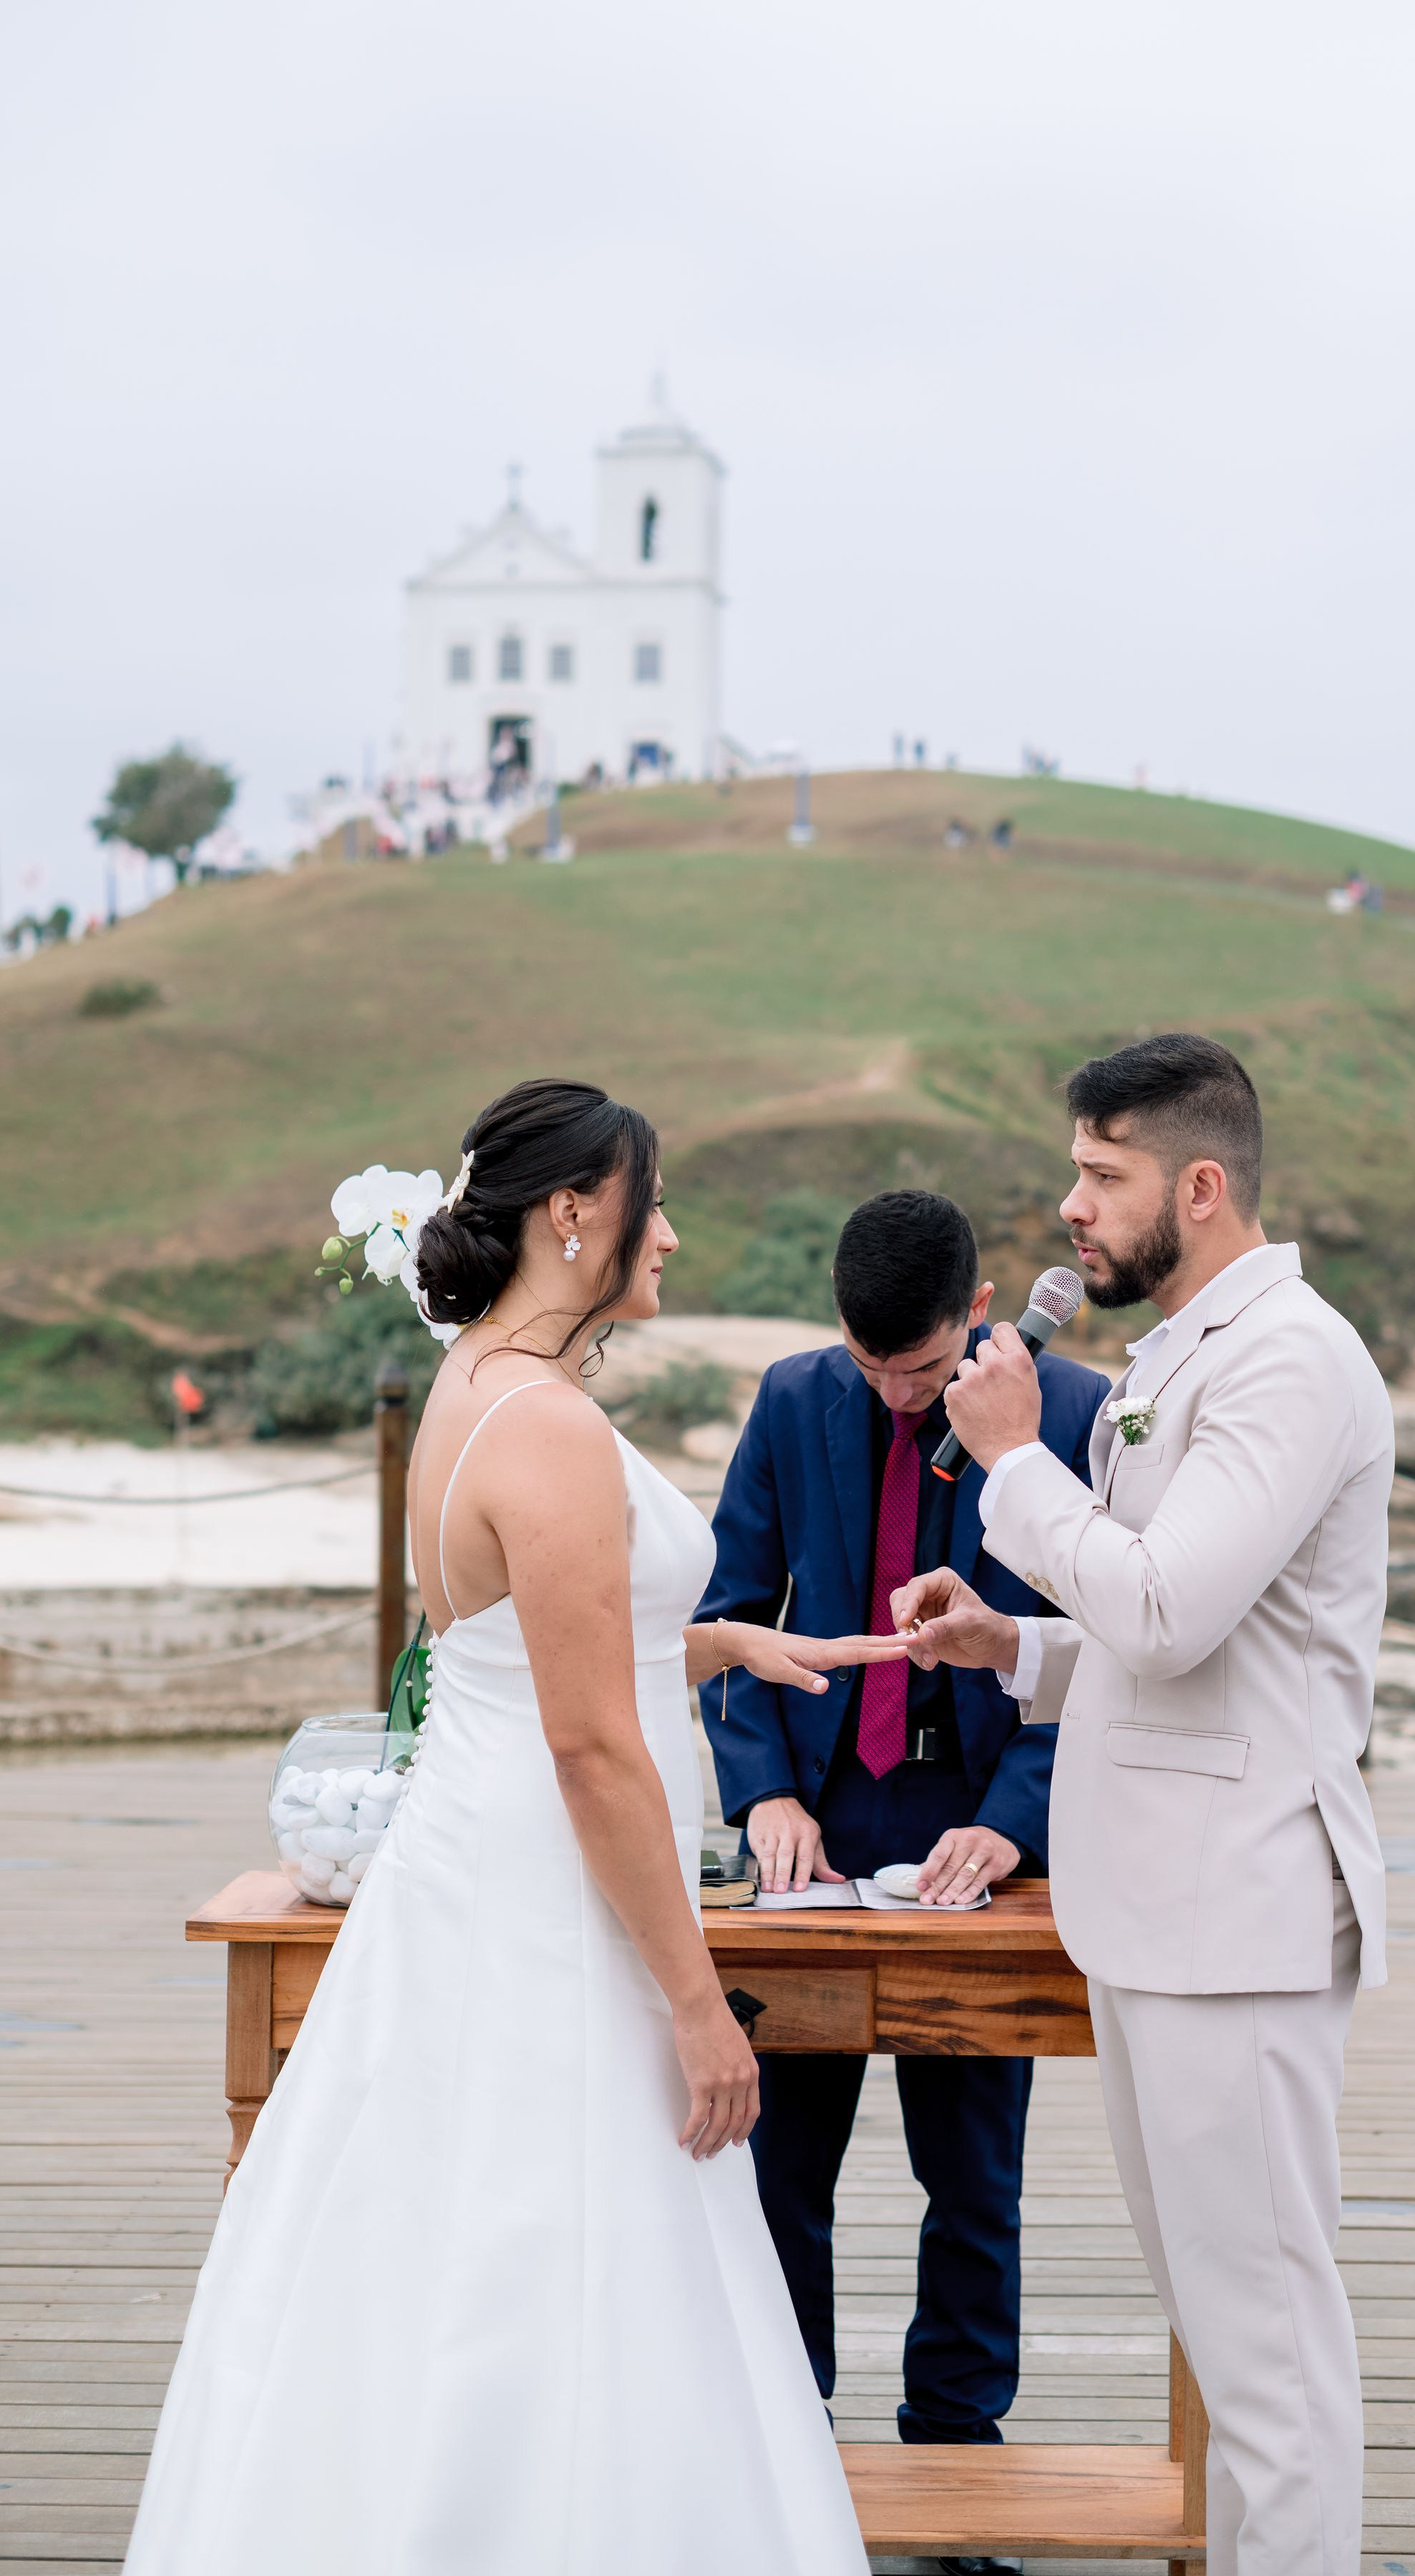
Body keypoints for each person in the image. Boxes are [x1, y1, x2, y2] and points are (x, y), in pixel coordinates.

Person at [124, 1078, 905, 2576]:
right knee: (565, 2250)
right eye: (649, 1203)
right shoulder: (541, 1425)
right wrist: (697, 2005)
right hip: (552, 1906)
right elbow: (590, 1743)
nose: (668, 1235)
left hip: (476, 1880)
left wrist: (719, 1647)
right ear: (571, 1216)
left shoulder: (473, 1390)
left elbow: (528, 1656)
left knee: (452, 2240)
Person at [894, 1035, 1393, 2576]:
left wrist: (1009, 1464)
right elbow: (1169, 1636)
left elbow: (1169, 1610)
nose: (1069, 1206)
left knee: (1267, 2363)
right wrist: (1016, 1646)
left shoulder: (1289, 1359)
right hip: (1159, 1915)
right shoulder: (1183, 1351)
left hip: (1233, 1915)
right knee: (1218, 2328)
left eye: (1100, 1177)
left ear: (1198, 1184)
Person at [695, 1191, 1110, 2518]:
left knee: (975, 2176)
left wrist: (1014, 1822)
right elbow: (725, 1620)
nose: (894, 1396)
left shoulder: (1075, 1410)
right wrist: (760, 1794)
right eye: (870, 1367)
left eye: (923, 1371)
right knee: (780, 2167)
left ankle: (956, 2451)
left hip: (982, 1833)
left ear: (978, 1318)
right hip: (813, 1840)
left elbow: (1099, 1652)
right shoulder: (788, 1398)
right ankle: (784, 2436)